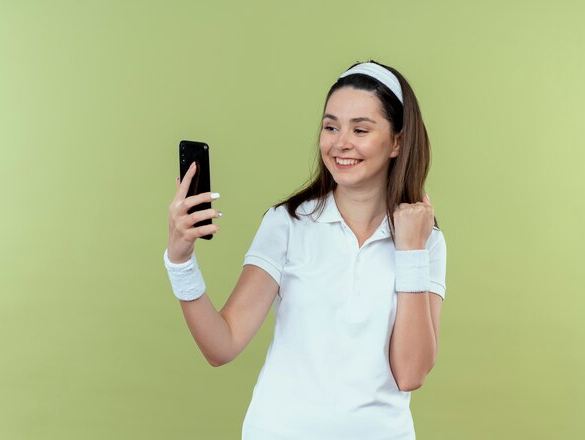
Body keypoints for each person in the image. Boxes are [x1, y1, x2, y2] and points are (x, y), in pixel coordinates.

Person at [164, 60, 447, 440]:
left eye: (360, 129)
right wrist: (180, 261)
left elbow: (411, 373)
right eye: (331, 126)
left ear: (397, 141)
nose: (340, 142)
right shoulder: (288, 223)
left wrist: (411, 251)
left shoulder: (426, 240)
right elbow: (222, 345)